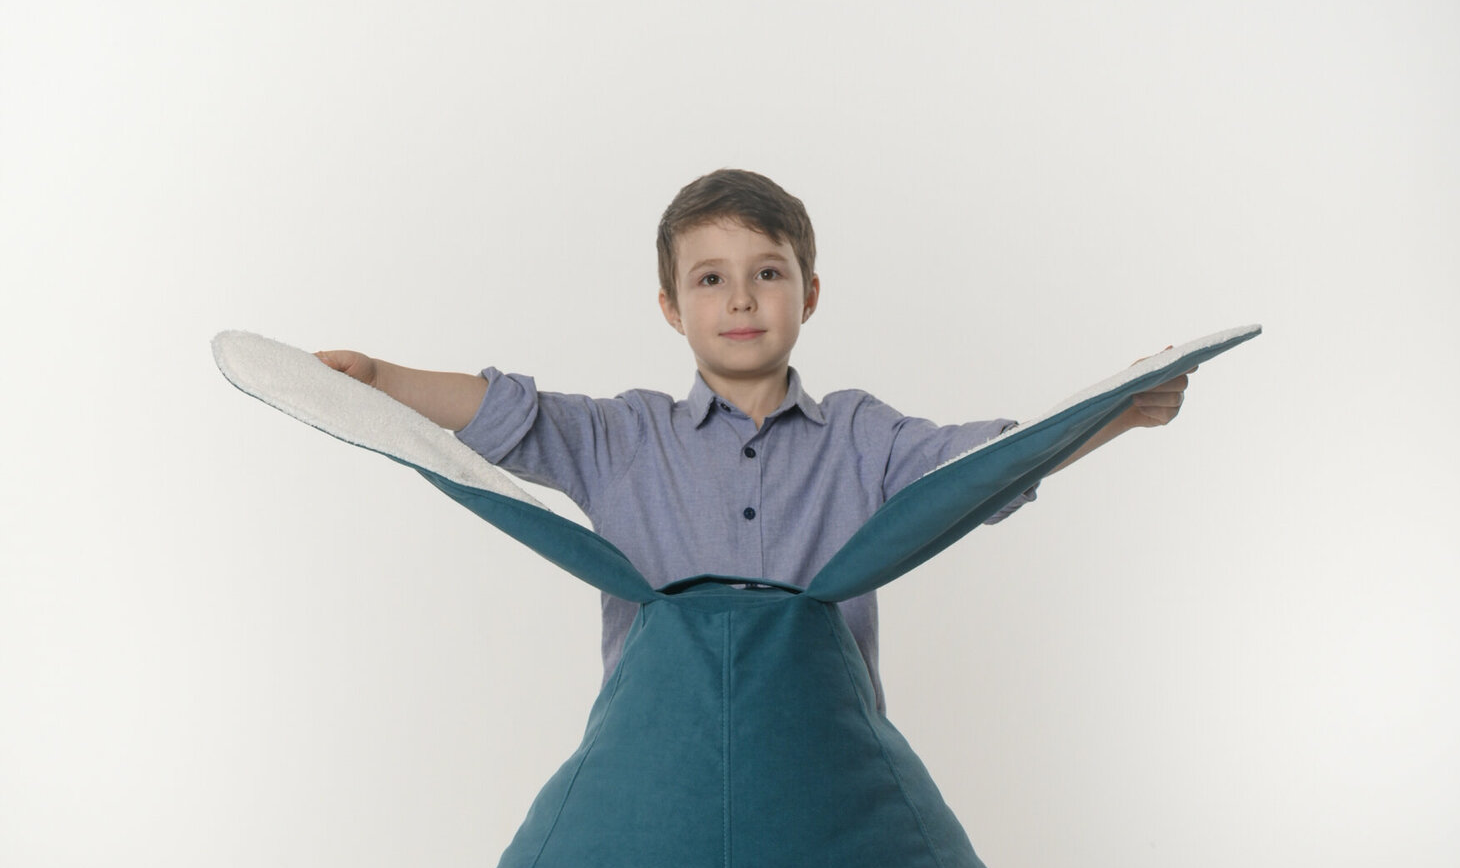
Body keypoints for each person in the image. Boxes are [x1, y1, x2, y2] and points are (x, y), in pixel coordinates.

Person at [317, 168, 1188, 716]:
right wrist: (382, 378)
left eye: (767, 273)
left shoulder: (861, 436)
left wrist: (1110, 413)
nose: (740, 299)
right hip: (658, 755)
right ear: (672, 308)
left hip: (825, 756)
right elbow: (513, 413)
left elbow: (981, 469)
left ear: (808, 294)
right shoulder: (626, 437)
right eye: (710, 279)